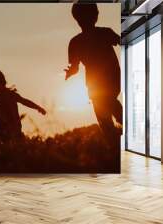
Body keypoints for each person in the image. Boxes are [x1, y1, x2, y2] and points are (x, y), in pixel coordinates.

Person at [64, 3, 123, 146]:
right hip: (104, 82)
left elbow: (75, 67)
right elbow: (123, 42)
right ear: (96, 15)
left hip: (99, 84)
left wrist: (71, 72)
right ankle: (117, 144)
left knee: (106, 112)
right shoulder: (104, 33)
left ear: (76, 19)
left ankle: (116, 143)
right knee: (107, 113)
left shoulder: (76, 42)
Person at [0, 70, 46, 142]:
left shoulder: (10, 95)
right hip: (3, 133)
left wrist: (38, 108)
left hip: (14, 131)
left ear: (0, 83)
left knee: (16, 146)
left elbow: (25, 102)